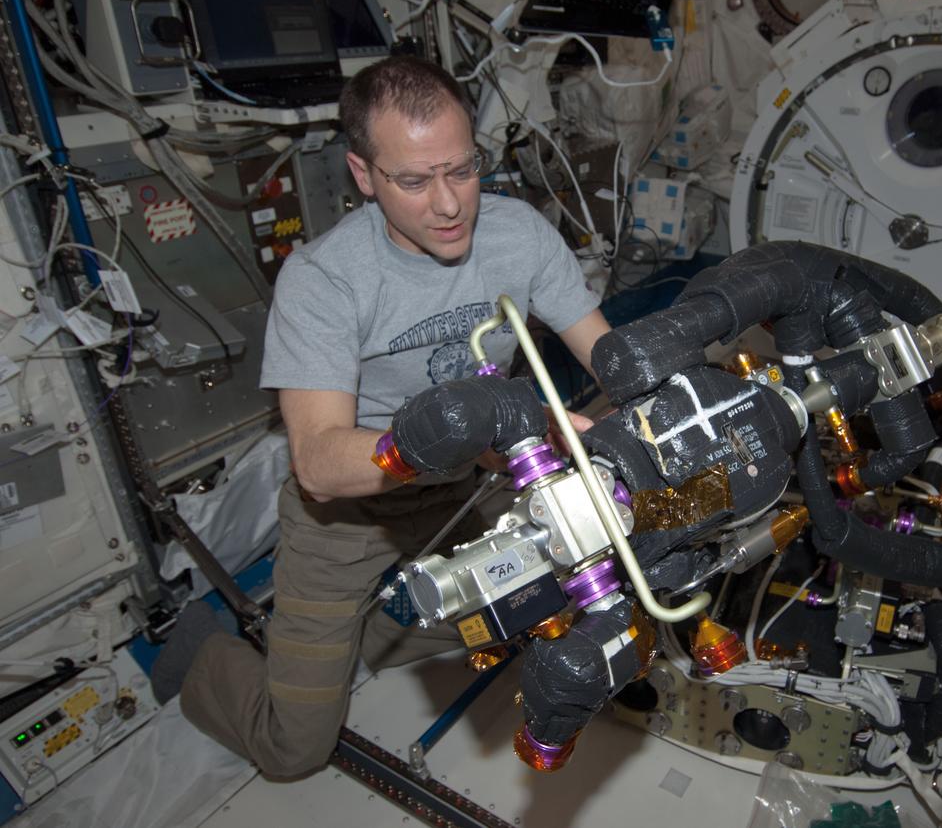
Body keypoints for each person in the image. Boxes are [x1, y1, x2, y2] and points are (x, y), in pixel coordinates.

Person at [150, 56, 609, 778]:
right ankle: (202, 650)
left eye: (462, 171)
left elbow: (606, 355)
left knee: (566, 612)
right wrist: (474, 431)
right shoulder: (325, 279)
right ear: (364, 175)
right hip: (352, 520)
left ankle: (373, 633)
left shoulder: (518, 232)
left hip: (473, 490)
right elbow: (322, 465)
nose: (451, 204)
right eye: (415, 181)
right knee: (292, 751)